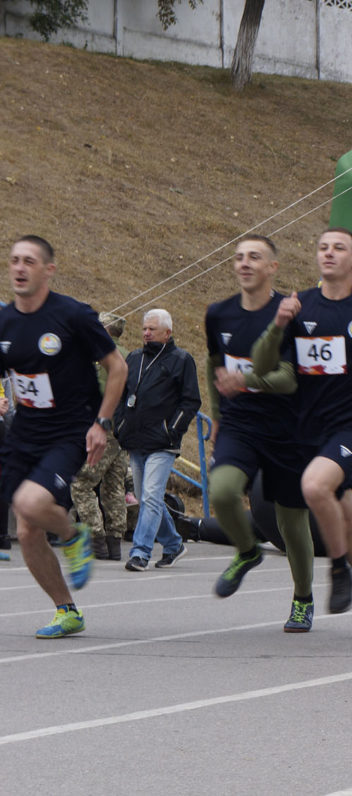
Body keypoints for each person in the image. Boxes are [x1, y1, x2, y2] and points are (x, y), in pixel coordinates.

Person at [252, 227, 352, 640]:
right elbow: (263, 365)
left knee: (315, 487)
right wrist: (277, 325)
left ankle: (338, 567)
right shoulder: (298, 306)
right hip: (311, 427)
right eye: (322, 247)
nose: (329, 253)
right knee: (348, 520)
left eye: (339, 248)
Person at [0, 236, 127, 637]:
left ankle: (73, 535)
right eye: (15, 260)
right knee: (25, 529)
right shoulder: (4, 321)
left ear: (48, 270)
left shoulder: (73, 315)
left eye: (29, 261)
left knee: (28, 503)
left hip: (70, 429)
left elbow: (118, 367)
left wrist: (102, 424)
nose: (20, 268)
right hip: (25, 430)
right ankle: (67, 610)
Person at [205, 235, 316, 632]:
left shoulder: (290, 312)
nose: (244, 263)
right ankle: (247, 551)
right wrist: (217, 414)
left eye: (255, 257)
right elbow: (214, 364)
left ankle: (303, 597)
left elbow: (288, 379)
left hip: (288, 427)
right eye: (238, 257)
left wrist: (247, 379)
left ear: (273, 267)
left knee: (291, 522)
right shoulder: (218, 314)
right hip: (240, 423)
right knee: (222, 490)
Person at [115, 308, 200, 572]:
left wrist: (171, 429)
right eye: (144, 328)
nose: (147, 333)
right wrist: (120, 425)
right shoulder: (134, 357)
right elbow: (121, 394)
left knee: (151, 495)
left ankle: (140, 552)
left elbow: (191, 401)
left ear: (168, 332)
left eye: (152, 329)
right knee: (146, 497)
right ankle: (174, 545)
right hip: (136, 440)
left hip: (163, 443)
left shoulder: (181, 359)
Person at [70, 312, 130, 561]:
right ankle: (114, 542)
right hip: (124, 429)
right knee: (113, 486)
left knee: (81, 483)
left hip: (103, 428)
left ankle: (96, 539)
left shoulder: (101, 356)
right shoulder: (130, 355)